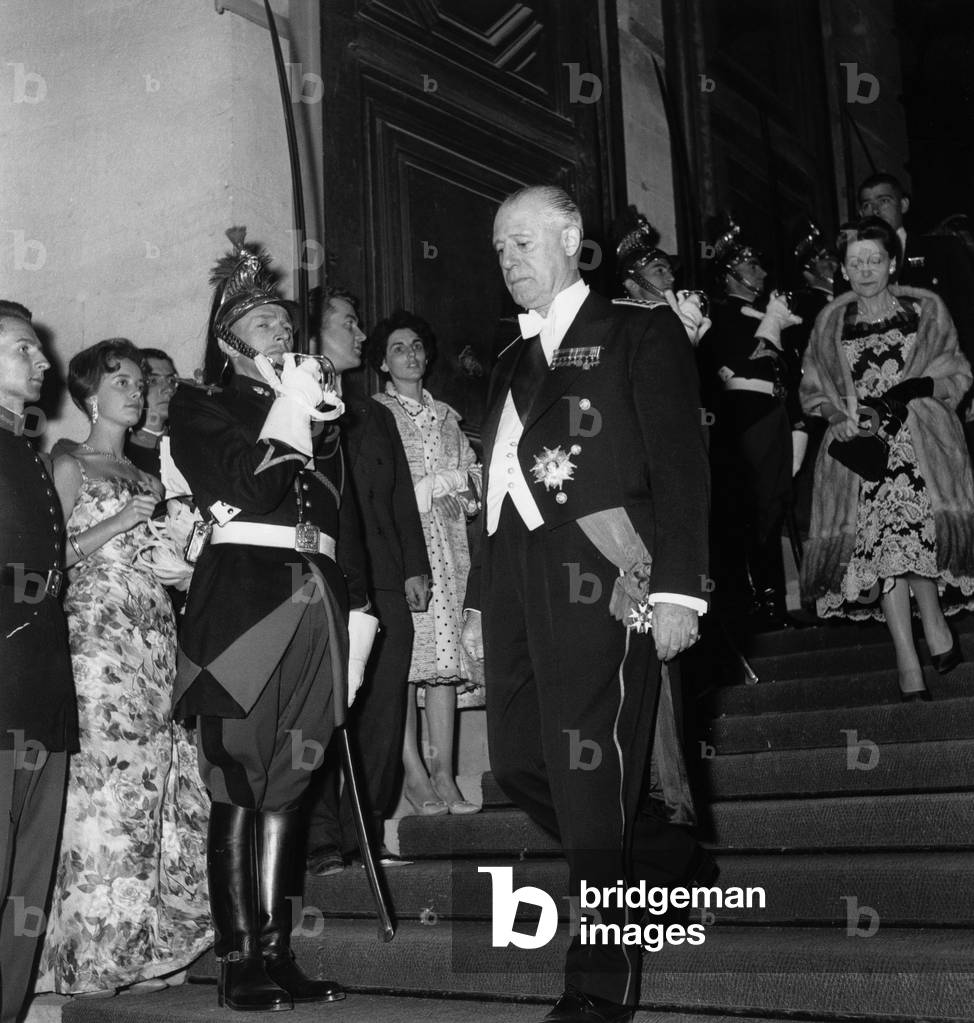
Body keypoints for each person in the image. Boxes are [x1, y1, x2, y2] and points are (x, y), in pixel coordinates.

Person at [460, 185, 710, 1023]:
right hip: (513, 576)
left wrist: (680, 587)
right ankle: (661, 854)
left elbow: (683, 465)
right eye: (499, 249)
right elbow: (489, 484)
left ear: (570, 238)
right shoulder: (506, 359)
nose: (508, 261)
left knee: (588, 764)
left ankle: (599, 982)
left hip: (605, 572)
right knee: (520, 757)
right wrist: (470, 603)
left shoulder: (639, 329)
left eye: (522, 242)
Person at [168, 229, 373, 1011]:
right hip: (244, 606)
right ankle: (234, 958)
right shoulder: (203, 403)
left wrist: (355, 602)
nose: (282, 332)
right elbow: (250, 492)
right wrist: (291, 407)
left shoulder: (314, 412)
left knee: (292, 780)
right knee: (237, 779)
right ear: (227, 340)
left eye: (285, 322)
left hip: (313, 599)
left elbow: (330, 522)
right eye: (262, 323)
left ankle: (279, 951)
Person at [36, 338, 211, 996]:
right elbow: (51, 562)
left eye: (141, 382)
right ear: (88, 394)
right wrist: (117, 528)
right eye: (121, 381)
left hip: (156, 639)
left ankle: (142, 953)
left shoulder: (151, 477)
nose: (136, 391)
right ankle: (89, 959)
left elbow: (165, 563)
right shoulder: (69, 460)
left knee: (154, 793)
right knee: (104, 793)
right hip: (99, 644)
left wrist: (188, 561)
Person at [800, 215, 974, 700]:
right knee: (883, 555)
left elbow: (956, 374)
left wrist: (920, 386)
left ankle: (934, 619)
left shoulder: (926, 310)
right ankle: (906, 656)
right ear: (843, 268)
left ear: (892, 262)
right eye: (855, 263)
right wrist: (839, 415)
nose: (866, 270)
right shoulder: (831, 321)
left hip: (922, 446)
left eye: (875, 259)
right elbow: (812, 392)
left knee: (916, 541)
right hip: (863, 457)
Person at [304, 287, 431, 874]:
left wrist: (415, 568)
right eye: (348, 324)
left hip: (386, 584)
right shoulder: (300, 407)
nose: (361, 335)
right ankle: (322, 837)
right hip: (331, 582)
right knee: (330, 713)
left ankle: (367, 833)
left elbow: (402, 497)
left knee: (382, 713)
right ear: (313, 334)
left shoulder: (374, 412)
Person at [370, 309, 483, 815]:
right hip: (405, 548)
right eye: (398, 348)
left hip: (450, 548)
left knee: (443, 662)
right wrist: (424, 491)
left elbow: (473, 482)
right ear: (382, 363)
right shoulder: (377, 414)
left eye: (416, 346)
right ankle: (412, 772)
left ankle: (445, 773)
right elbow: (380, 492)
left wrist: (462, 490)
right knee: (408, 665)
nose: (411, 355)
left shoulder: (448, 416)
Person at [0, 309, 78, 1023]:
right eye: (22, 349)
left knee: (27, 886)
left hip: (42, 689)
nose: (41, 361)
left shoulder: (23, 446)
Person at [700, 221, 805, 629]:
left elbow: (788, 372)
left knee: (774, 507)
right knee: (751, 510)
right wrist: (773, 324)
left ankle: (773, 601)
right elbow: (739, 360)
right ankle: (754, 603)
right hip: (744, 413)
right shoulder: (722, 312)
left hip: (775, 413)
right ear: (729, 274)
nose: (760, 274)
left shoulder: (766, 312)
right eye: (750, 267)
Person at [611, 205, 710, 345]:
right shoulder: (621, 328)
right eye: (660, 271)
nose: (672, 278)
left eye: (670, 271)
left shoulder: (665, 318)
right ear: (632, 284)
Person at [127, 348, 179, 476]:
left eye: (171, 381)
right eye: (153, 381)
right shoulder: (120, 453)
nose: (168, 389)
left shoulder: (186, 447)